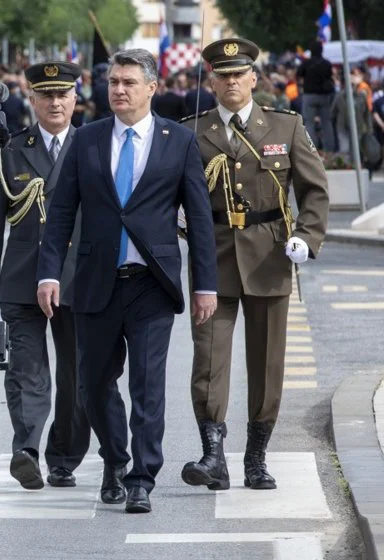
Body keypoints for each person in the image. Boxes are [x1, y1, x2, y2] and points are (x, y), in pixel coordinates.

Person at [36, 49, 218, 515]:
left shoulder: (177, 140)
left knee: (147, 385)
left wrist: (205, 284)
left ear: (151, 88)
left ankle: (142, 477)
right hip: (96, 281)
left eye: (129, 83)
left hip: (151, 284)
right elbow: (60, 214)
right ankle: (115, 459)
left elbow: (199, 219)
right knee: (92, 384)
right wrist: (49, 273)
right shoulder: (89, 139)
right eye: (114, 82)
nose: (118, 89)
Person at [179, 38, 329, 492]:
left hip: (269, 255)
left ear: (253, 78)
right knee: (208, 359)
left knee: (267, 364)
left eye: (237, 74)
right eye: (221, 76)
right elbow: (169, 193)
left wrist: (307, 236)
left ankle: (257, 456)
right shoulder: (191, 131)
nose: (230, 83)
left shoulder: (284, 126)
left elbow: (314, 189)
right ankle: (212, 453)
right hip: (213, 257)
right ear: (211, 80)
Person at [0, 61, 92, 491]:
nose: (55, 102)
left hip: (78, 278)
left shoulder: (93, 146)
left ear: (75, 98)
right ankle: (26, 449)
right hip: (24, 277)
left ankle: (64, 456)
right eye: (46, 94)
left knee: (76, 373)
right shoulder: (11, 150)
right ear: (32, 99)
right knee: (27, 369)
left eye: (63, 93)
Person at [298, 40, 337, 152]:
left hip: (309, 95)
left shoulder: (306, 63)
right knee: (326, 123)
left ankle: (312, 149)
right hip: (324, 96)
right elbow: (330, 76)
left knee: (309, 123)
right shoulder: (327, 63)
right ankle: (329, 149)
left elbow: (299, 74)